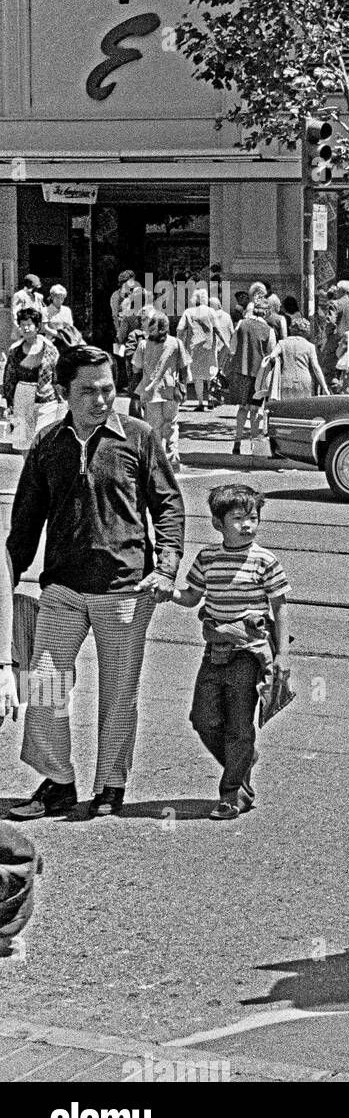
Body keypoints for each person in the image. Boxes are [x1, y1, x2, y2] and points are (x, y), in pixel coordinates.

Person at [5, 345, 183, 820]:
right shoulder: (48, 443)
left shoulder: (138, 437)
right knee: (44, 682)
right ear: (63, 392)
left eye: (108, 389)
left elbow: (167, 504)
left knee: (118, 694)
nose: (102, 399)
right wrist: (7, 583)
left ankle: (110, 785)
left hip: (125, 589)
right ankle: (59, 781)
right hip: (62, 588)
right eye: (89, 391)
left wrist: (166, 567)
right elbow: (25, 521)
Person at [172, 484, 290, 821]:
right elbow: (191, 596)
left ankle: (231, 794)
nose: (247, 525)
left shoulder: (265, 560)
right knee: (203, 718)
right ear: (217, 523)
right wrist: (167, 592)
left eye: (252, 518)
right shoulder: (208, 558)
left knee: (239, 725)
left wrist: (282, 654)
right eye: (238, 519)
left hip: (248, 653)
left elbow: (280, 607)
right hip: (215, 650)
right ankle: (242, 761)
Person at [3, 309, 62, 451]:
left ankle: (40, 471)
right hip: (22, 398)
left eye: (29, 324)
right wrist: (9, 404)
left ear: (37, 326)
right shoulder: (14, 350)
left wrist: (62, 396)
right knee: (23, 441)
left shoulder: (50, 349)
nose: (26, 328)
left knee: (42, 438)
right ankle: (28, 472)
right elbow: (9, 379)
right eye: (23, 324)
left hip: (46, 399)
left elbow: (58, 374)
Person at [137, 312, 183, 471]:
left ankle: (157, 461)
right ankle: (173, 456)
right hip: (170, 390)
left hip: (151, 392)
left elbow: (136, 366)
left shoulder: (143, 344)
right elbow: (184, 366)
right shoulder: (176, 343)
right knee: (171, 425)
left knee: (153, 428)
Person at [228, 298, 274, 457]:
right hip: (258, 375)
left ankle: (237, 442)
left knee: (242, 408)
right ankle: (254, 445)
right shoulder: (269, 330)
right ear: (267, 312)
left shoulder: (241, 324)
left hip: (241, 372)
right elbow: (271, 354)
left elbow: (232, 347)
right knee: (255, 409)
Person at [177, 288, 223, 412]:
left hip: (194, 347)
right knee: (210, 373)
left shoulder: (188, 312)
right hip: (209, 347)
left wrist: (179, 342)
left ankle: (200, 403)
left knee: (198, 376)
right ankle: (210, 400)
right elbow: (218, 329)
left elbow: (180, 329)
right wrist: (226, 344)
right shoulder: (211, 311)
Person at [272, 317, 329, 400]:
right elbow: (316, 368)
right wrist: (324, 387)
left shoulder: (282, 343)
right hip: (304, 380)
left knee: (288, 409)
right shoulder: (310, 346)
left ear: (291, 329)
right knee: (303, 409)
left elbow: (272, 356)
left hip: (287, 379)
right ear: (306, 331)